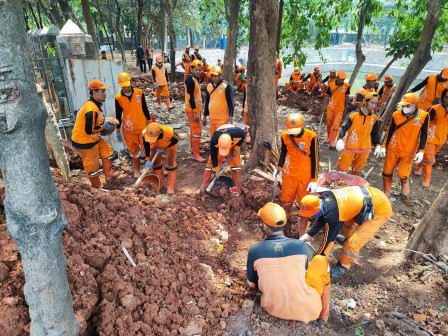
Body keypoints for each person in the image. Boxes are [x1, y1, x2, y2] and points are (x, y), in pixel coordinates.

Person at [247, 202, 331, 323]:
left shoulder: (255, 250)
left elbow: (251, 284)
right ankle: (323, 316)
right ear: (285, 223)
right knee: (320, 260)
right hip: (308, 310)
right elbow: (304, 274)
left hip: (274, 308)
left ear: (265, 226)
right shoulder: (301, 246)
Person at [299, 186, 393, 279]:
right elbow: (322, 218)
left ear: (317, 208)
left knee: (353, 243)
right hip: (368, 198)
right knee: (348, 224)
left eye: (312, 214)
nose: (312, 216)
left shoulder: (333, 215)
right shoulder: (325, 198)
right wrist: (309, 234)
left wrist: (317, 258)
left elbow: (328, 240)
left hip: (379, 208)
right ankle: (347, 240)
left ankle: (343, 265)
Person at [272, 113, 318, 236]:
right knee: (286, 201)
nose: (293, 133)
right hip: (289, 174)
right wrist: (278, 168)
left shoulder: (311, 136)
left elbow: (315, 158)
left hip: (305, 176)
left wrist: (314, 179)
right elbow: (283, 152)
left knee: (305, 205)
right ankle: (282, 228)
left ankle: (302, 233)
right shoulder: (284, 136)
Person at [71, 79, 120, 188]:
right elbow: (89, 129)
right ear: (94, 92)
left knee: (107, 150)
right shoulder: (91, 108)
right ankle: (97, 188)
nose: (105, 94)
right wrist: (104, 126)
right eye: (102, 91)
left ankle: (109, 176)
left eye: (104, 91)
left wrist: (104, 120)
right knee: (92, 166)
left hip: (92, 137)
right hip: (85, 141)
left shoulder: (94, 104)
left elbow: (93, 122)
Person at [380, 93, 429, 197]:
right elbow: (390, 131)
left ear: (414, 104)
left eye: (407, 105)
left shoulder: (424, 116)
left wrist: (421, 151)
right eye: (403, 105)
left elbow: (424, 134)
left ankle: (404, 194)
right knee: (387, 171)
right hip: (393, 148)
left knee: (403, 174)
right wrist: (383, 146)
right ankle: (386, 194)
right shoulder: (396, 114)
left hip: (409, 150)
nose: (404, 107)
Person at [115, 72, 152, 178]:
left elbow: (145, 108)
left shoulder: (139, 93)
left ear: (130, 82)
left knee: (147, 147)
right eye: (123, 86)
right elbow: (118, 114)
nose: (126, 88)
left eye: (127, 85)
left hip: (142, 127)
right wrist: (118, 130)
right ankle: (137, 170)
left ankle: (153, 168)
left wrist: (149, 121)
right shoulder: (118, 98)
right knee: (134, 151)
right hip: (129, 129)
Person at [336, 92, 381, 176]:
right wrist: (340, 140)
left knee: (357, 171)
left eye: (375, 103)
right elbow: (343, 128)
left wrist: (378, 145)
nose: (373, 105)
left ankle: (352, 186)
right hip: (351, 146)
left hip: (365, 148)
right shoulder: (353, 115)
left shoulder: (374, 118)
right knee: (342, 169)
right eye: (372, 102)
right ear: (365, 102)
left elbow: (375, 133)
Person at [198, 124, 246, 195]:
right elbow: (214, 155)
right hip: (222, 141)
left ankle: (235, 187)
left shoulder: (239, 133)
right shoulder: (214, 140)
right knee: (211, 163)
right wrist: (216, 169)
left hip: (233, 140)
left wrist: (236, 148)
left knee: (236, 164)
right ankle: (204, 185)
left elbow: (243, 136)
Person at [414, 89, 448, 187]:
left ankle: (417, 167)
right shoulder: (434, 109)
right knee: (429, 159)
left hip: (441, 139)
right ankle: (427, 179)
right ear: (445, 98)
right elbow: (424, 122)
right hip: (429, 138)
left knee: (430, 157)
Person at [142, 123, 180, 194]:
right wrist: (147, 159)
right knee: (156, 164)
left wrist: (165, 146)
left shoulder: (168, 132)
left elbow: (177, 139)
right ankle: (161, 186)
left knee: (171, 164)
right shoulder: (145, 133)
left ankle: (170, 189)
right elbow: (146, 146)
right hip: (155, 145)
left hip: (169, 144)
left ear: (159, 133)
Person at [322, 70, 351, 149]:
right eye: (341, 78)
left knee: (335, 126)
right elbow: (327, 96)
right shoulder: (331, 85)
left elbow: (347, 97)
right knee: (329, 124)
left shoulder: (347, 86)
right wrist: (324, 106)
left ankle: (332, 143)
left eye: (343, 79)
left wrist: (345, 108)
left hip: (340, 109)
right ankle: (328, 137)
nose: (342, 80)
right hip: (330, 108)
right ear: (337, 78)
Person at [203, 65, 235, 136]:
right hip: (212, 118)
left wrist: (230, 118)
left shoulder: (226, 86)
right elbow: (207, 102)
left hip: (222, 119)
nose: (214, 78)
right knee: (213, 138)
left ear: (220, 75)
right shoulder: (209, 86)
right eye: (212, 76)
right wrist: (205, 116)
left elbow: (231, 103)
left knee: (222, 139)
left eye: (216, 76)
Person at [185, 60, 206, 162]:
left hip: (197, 108)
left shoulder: (195, 78)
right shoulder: (190, 79)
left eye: (199, 70)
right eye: (196, 69)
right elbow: (190, 97)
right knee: (196, 131)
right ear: (192, 69)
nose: (198, 71)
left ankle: (195, 150)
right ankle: (196, 155)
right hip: (193, 109)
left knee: (194, 130)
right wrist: (194, 111)